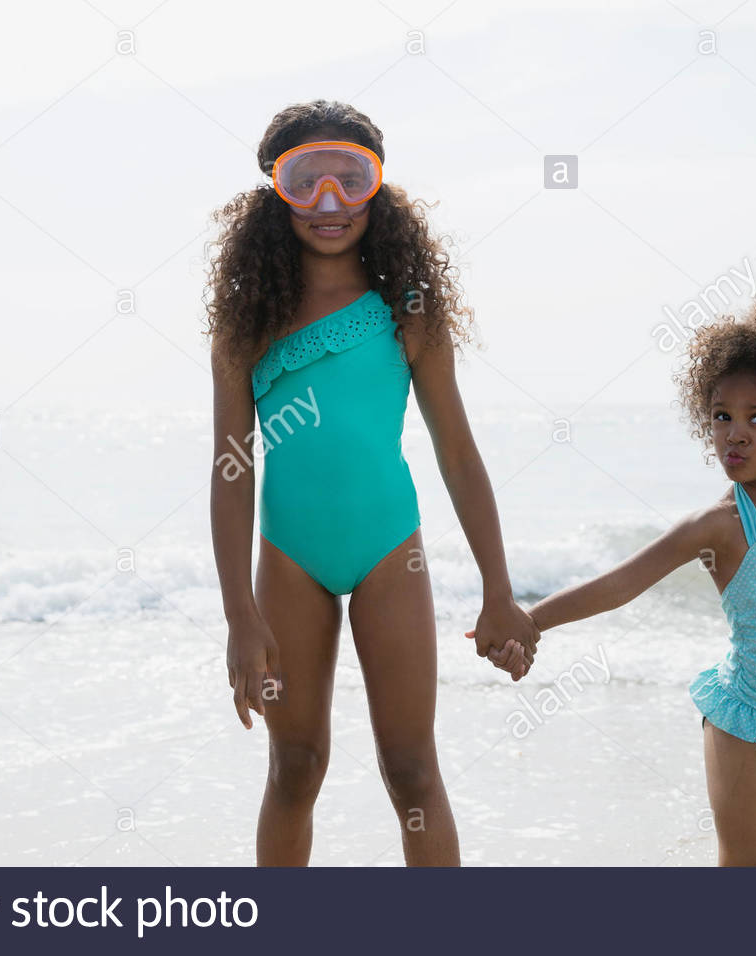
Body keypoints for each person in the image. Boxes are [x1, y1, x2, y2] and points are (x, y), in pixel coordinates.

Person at [205, 99, 538, 866]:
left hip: (392, 552)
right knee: (295, 767)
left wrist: (498, 588)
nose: (328, 203)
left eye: (349, 180)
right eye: (305, 181)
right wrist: (240, 616)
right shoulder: (247, 319)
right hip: (289, 560)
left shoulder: (408, 309)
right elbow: (232, 469)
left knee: (412, 769)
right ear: (276, 192)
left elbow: (456, 450)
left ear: (375, 190)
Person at [476, 294, 756, 866]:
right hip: (744, 715)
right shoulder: (717, 525)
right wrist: (532, 620)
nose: (734, 434)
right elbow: (620, 584)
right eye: (722, 416)